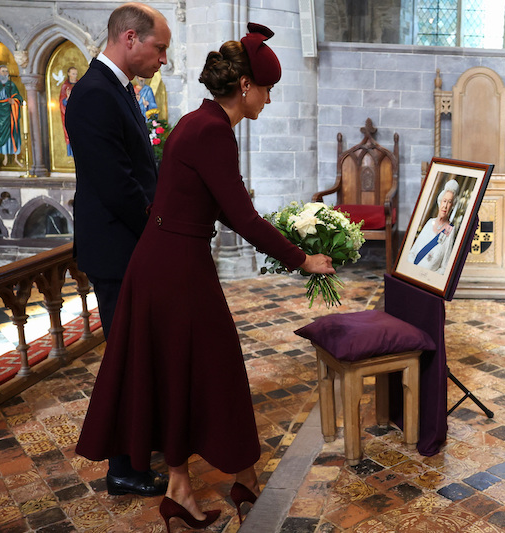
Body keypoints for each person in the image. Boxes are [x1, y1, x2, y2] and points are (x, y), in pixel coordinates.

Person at [75, 22, 335, 530]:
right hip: (175, 269)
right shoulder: (213, 131)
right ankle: (240, 480)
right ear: (245, 87)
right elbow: (240, 215)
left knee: (182, 372)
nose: (268, 101)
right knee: (218, 370)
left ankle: (182, 490)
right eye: (267, 90)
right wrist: (302, 259)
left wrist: (285, 239)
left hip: (170, 261)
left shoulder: (199, 123)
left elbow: (217, 206)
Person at [66, 2, 171, 498]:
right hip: (116, 250)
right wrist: (160, 231)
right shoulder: (92, 93)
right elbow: (116, 185)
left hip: (129, 245)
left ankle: (140, 445)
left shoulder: (119, 89)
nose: (163, 60)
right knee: (126, 359)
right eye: (160, 48)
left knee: (139, 353)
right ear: (130, 38)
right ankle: (123, 467)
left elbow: (138, 171)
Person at [407, 179, 459, 274]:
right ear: (440, 202)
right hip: (413, 273)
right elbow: (411, 253)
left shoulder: (450, 230)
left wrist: (429, 277)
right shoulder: (429, 222)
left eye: (449, 202)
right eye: (444, 201)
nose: (445, 206)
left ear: (452, 206)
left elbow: (445, 267)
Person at [0, 64, 23, 166]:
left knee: (14, 133)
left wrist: (14, 101)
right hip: (0, 115)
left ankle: (16, 157)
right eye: (3, 71)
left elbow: (18, 97)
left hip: (11, 113)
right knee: (3, 135)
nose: (5, 73)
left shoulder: (11, 84)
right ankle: (5, 157)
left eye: (6, 71)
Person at [59, 66, 78, 156]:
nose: (75, 75)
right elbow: (62, 102)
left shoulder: (79, 84)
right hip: (69, 115)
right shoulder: (65, 86)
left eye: (76, 74)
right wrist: (67, 99)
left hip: (79, 115)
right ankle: (71, 154)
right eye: (73, 73)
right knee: (70, 133)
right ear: (69, 74)